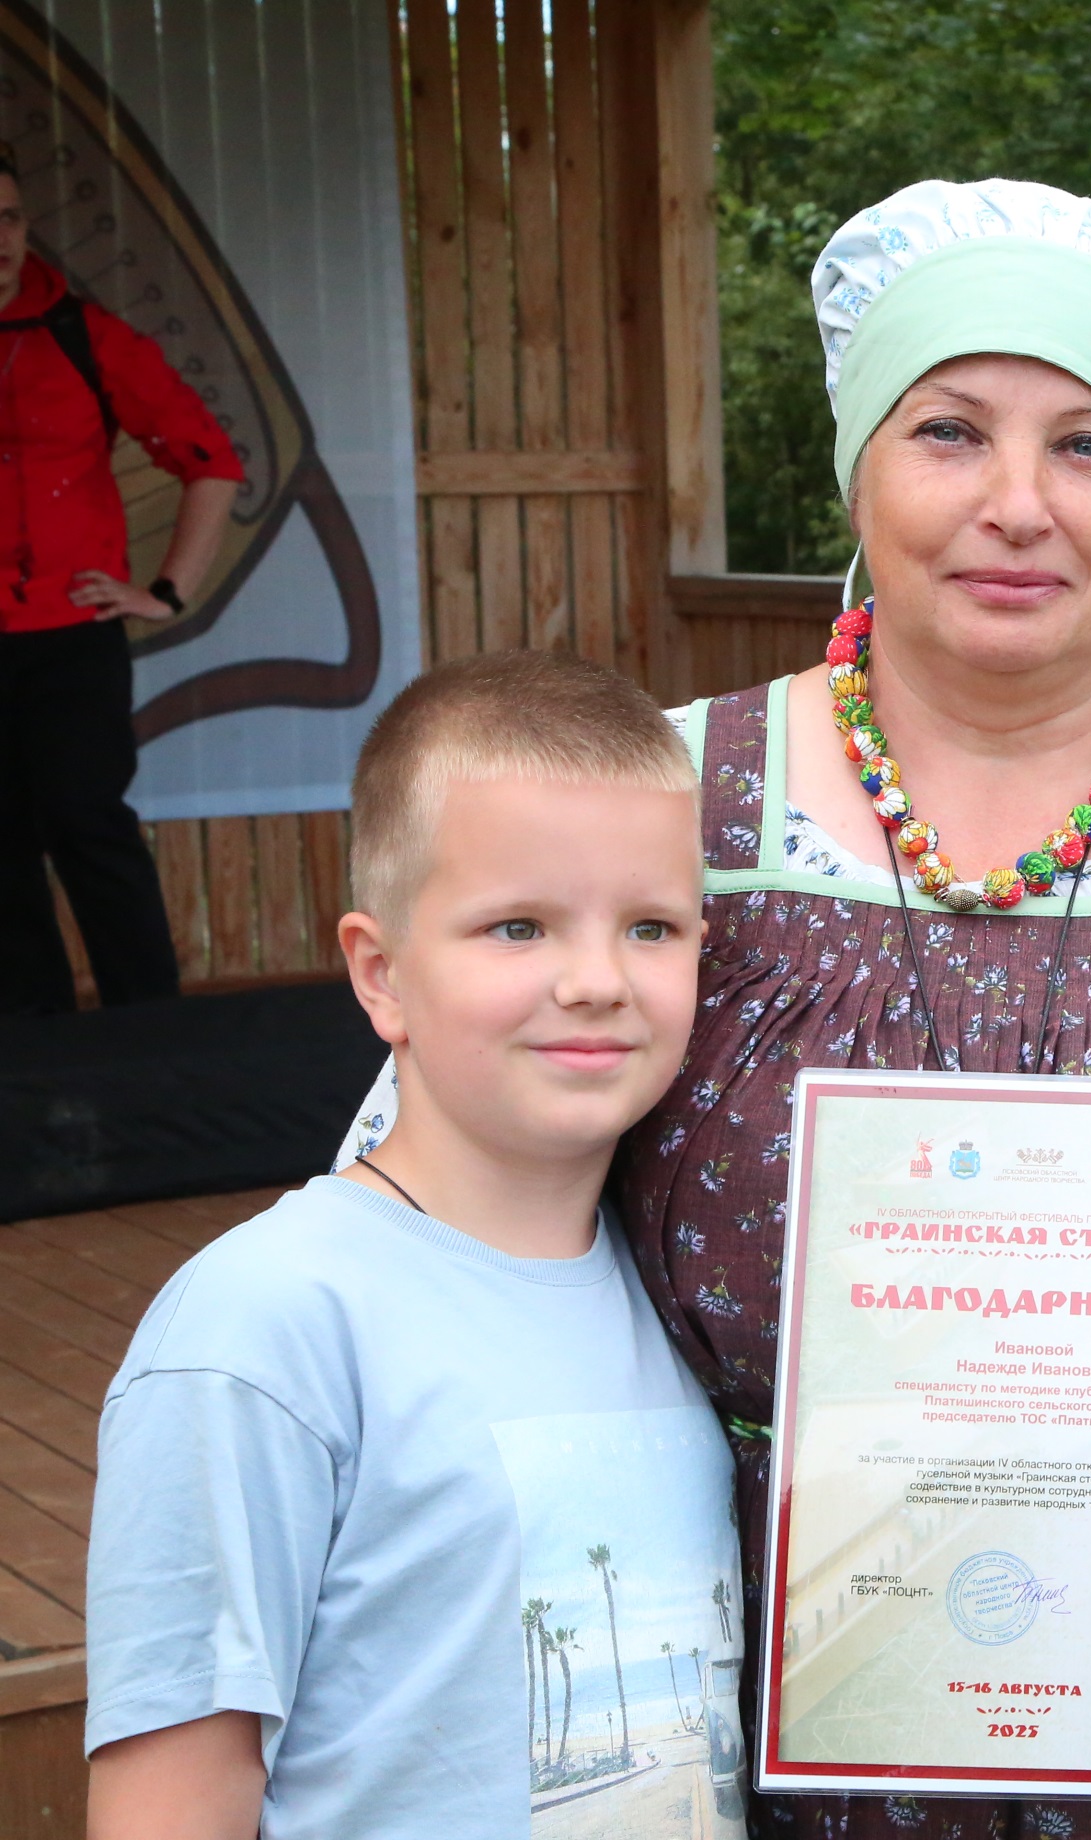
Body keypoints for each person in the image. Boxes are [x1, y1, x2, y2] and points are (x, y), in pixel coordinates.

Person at [343, 178, 1091, 1838]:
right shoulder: (658, 807)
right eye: (948, 432)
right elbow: (417, 1240)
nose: (1017, 504)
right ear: (858, 467)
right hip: (714, 1738)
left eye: (1087, 444)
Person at [85, 651, 744, 1839]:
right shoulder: (264, 1324)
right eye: (517, 927)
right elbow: (169, 1806)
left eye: (652, 926)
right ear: (380, 973)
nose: (597, 979)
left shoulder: (684, 1295)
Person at [0, 146, 242, 1015]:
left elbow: (212, 461)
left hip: (70, 637)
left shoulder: (87, 335)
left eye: (8, 219)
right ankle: (29, 1045)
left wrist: (166, 590)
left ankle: (151, 1034)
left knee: (88, 826)